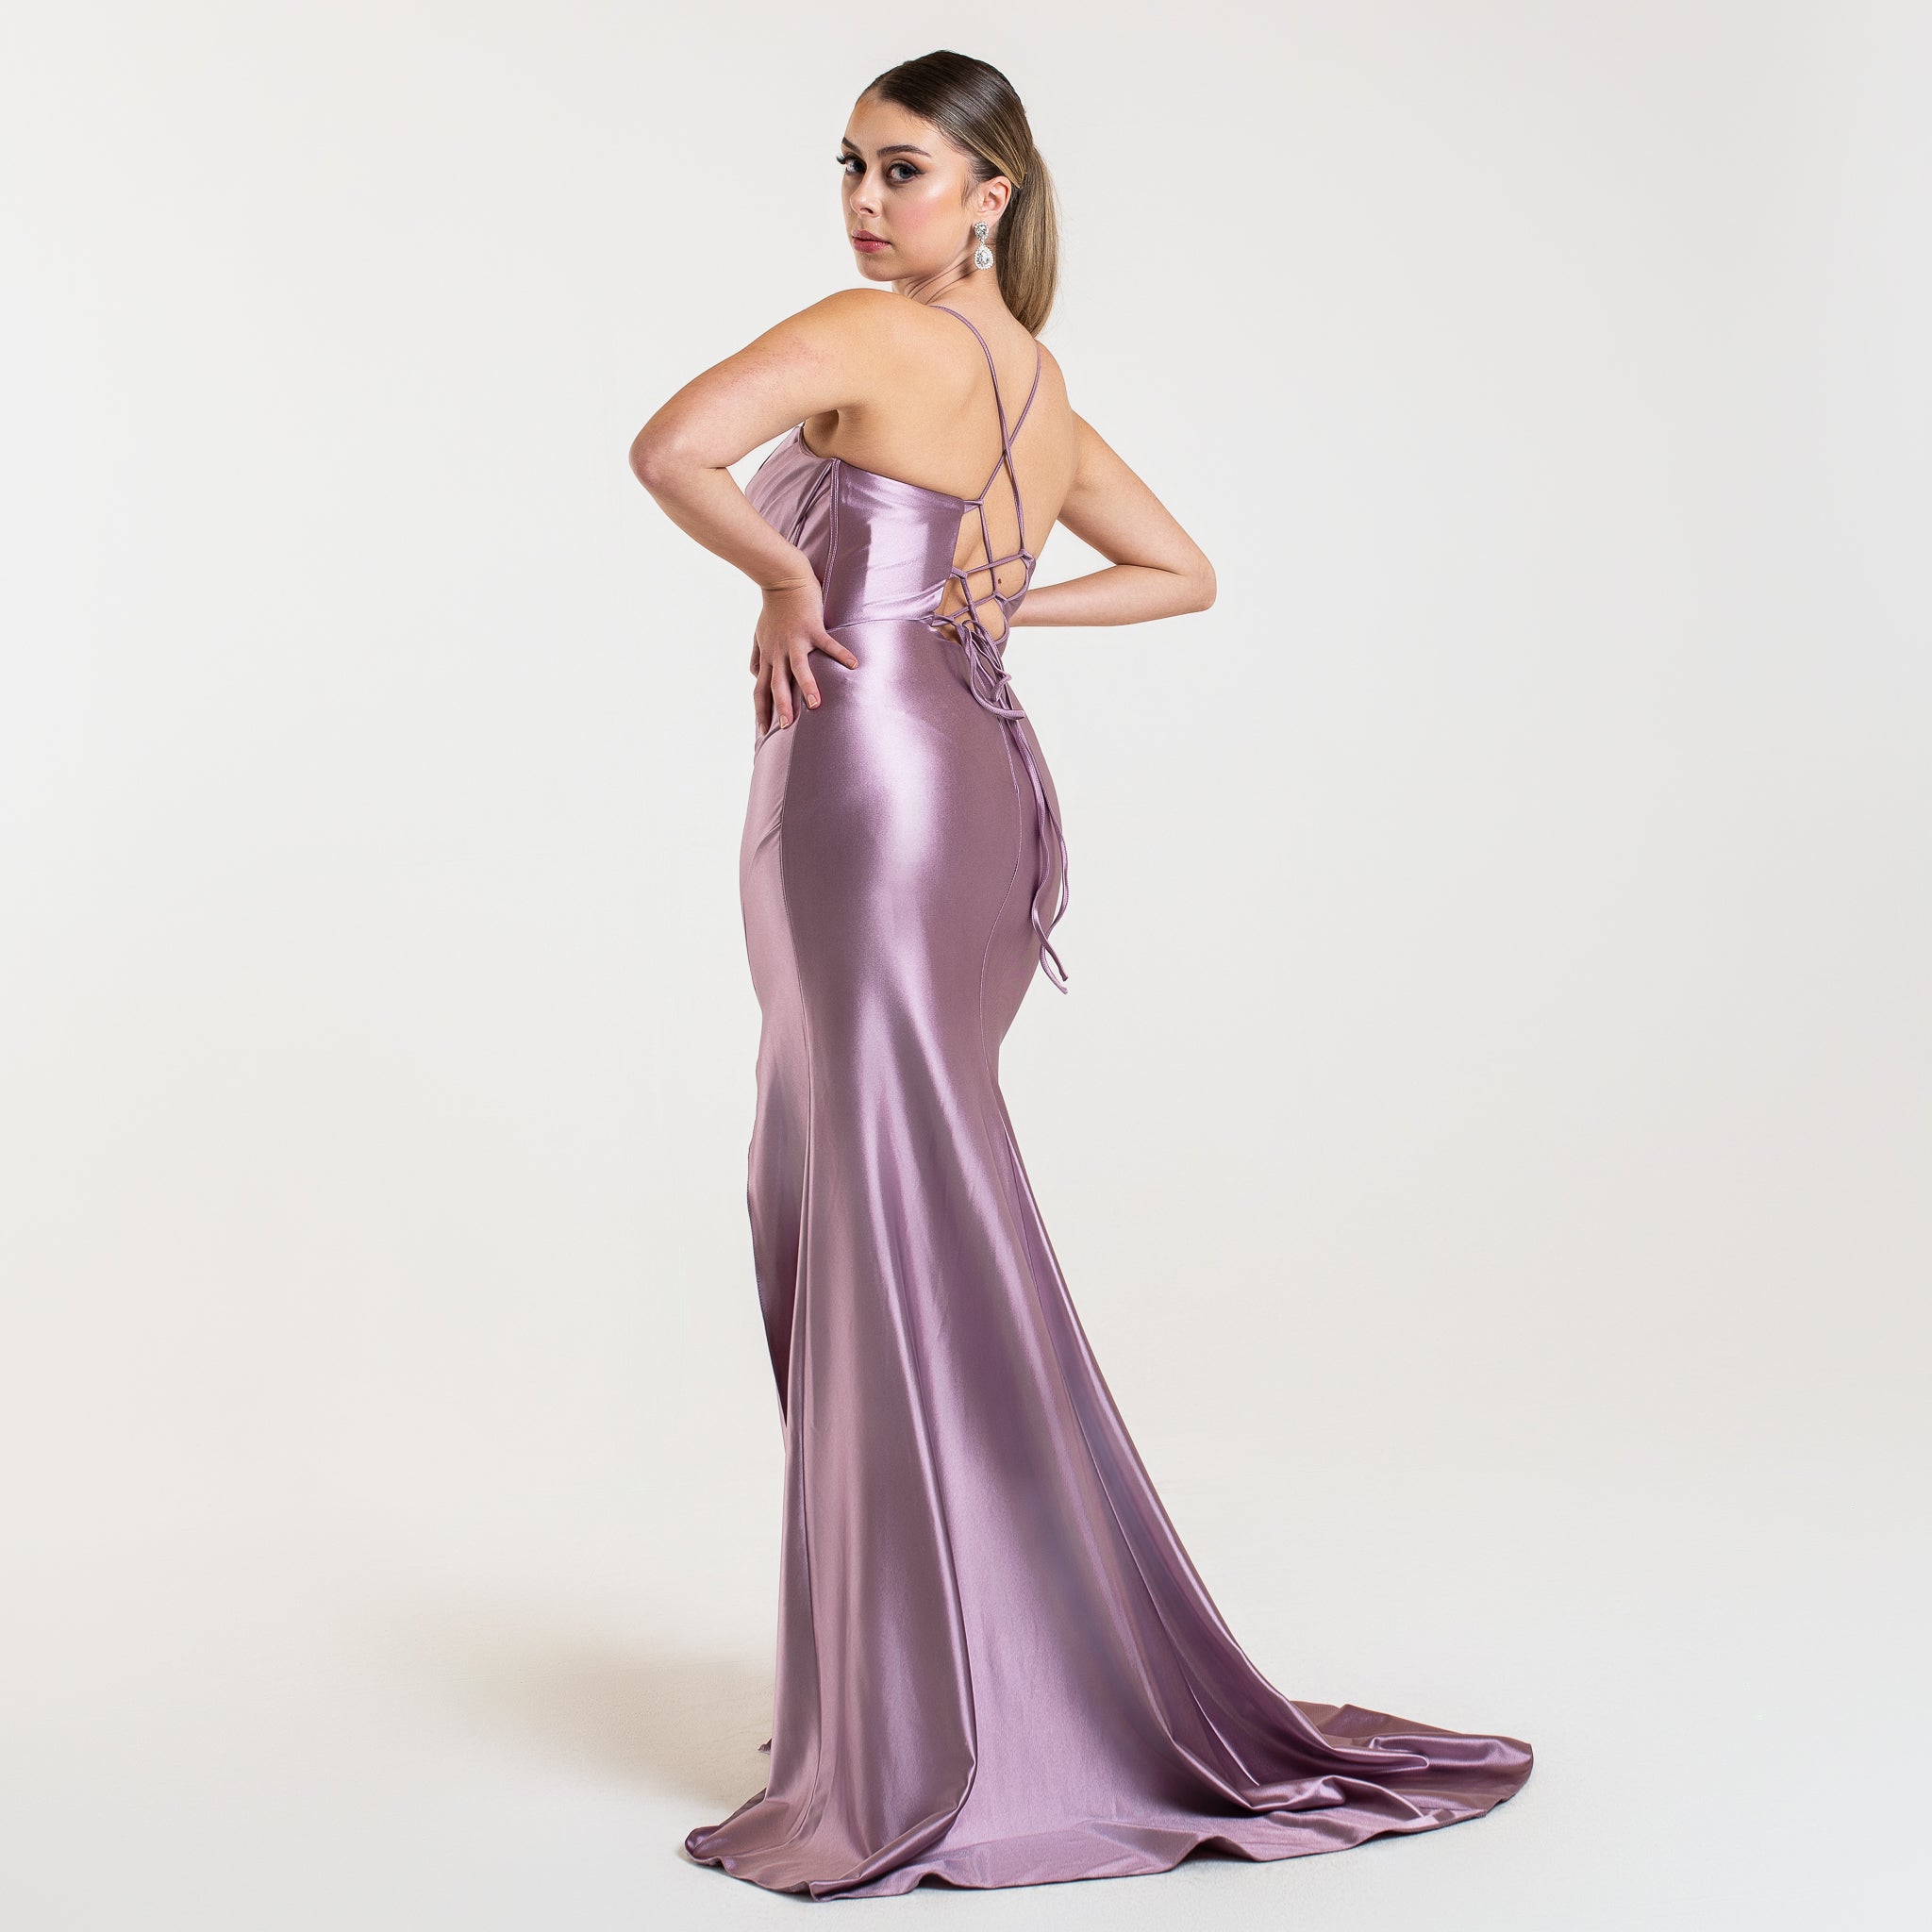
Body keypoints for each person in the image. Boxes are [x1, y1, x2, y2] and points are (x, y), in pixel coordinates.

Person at [628, 47, 1533, 1903]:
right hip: (969, 776)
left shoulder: (867, 336)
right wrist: (989, 609)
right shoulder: (1038, 388)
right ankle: (954, 1677)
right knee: (903, 1185)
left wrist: (795, 587)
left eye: (903, 170)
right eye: (849, 166)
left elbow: (668, 451)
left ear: (994, 193)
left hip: (868, 782)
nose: (864, 202)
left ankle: (935, 1715)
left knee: (879, 1194)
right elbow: (1177, 571)